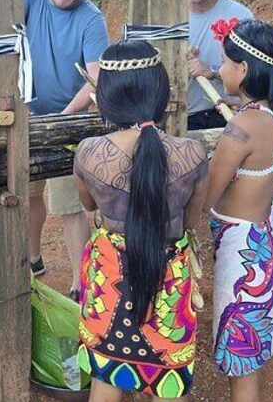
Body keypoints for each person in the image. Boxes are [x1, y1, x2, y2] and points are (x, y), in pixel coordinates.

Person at [74, 40, 209, 401]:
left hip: (110, 275)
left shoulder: (88, 152)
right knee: (168, 378)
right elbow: (192, 219)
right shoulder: (192, 153)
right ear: (161, 94)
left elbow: (89, 204)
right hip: (170, 277)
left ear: (105, 99)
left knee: (107, 370)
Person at [203, 18, 273, 401]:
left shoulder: (240, 128)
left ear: (243, 69)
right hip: (262, 241)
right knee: (247, 356)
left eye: (224, 62)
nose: (219, 69)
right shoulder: (270, 116)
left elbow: (207, 193)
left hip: (244, 258)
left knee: (241, 361)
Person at [25, 0, 108, 299]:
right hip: (23, 114)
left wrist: (63, 118)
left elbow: (96, 78)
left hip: (67, 119)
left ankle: (80, 280)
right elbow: (4, 38)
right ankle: (31, 258)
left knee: (70, 205)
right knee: (26, 192)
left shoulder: (92, 18)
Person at [187, 0, 253, 131]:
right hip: (180, 115)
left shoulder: (239, 16)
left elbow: (253, 68)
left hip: (223, 113)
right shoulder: (170, 15)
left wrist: (212, 71)